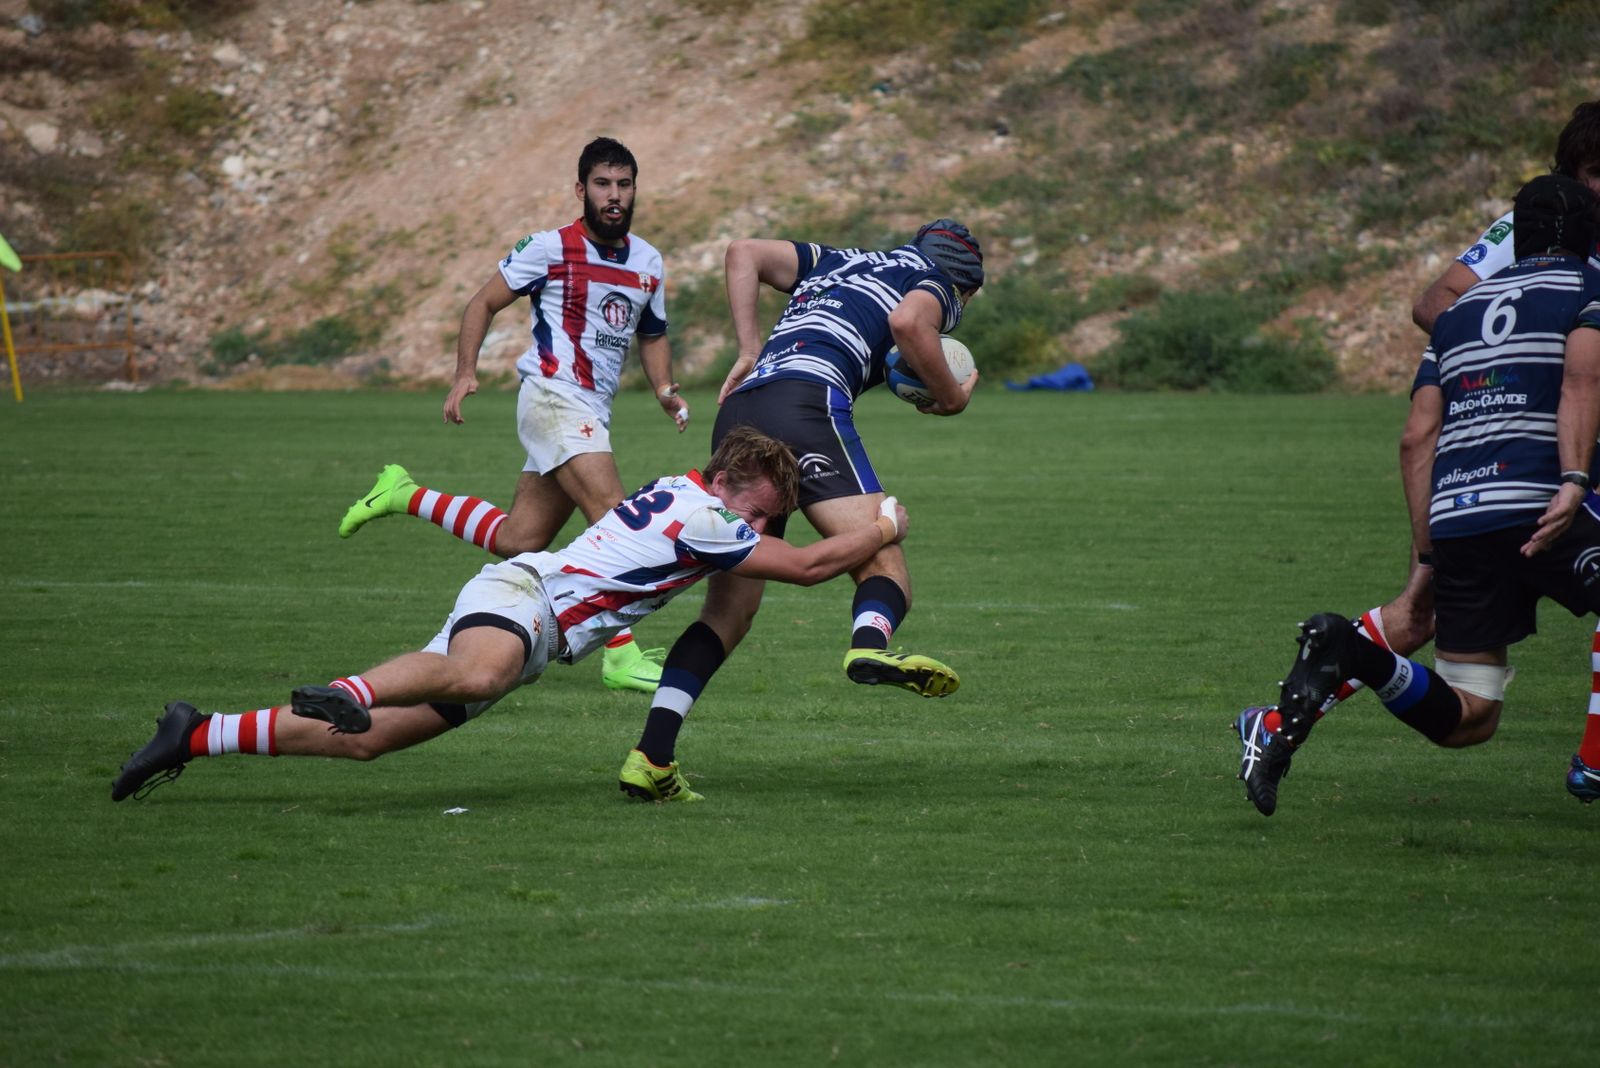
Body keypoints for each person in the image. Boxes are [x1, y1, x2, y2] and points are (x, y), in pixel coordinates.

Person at [110, 428, 911, 804]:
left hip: (531, 624)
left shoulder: (687, 492)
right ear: (732, 484)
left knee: (370, 745)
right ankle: (352, 686)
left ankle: (196, 732)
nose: (764, 529)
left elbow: (776, 562)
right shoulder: (706, 518)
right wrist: (882, 529)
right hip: (525, 602)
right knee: (474, 671)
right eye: (765, 512)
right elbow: (808, 568)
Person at [1234, 100, 1600, 814]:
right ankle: (1593, 762)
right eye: (1595, 173)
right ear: (1569, 177)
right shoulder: (1547, 238)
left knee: (1456, 688)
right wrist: (1523, 363)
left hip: (1462, 486)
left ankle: (1284, 713)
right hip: (1540, 460)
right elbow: (1438, 301)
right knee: (1417, 614)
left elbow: (1416, 434)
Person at [616, 219, 984, 795]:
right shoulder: (938, 281)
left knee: (728, 612)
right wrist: (953, 396)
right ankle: (870, 647)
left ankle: (651, 757)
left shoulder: (842, 260)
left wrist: (748, 348)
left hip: (740, 408)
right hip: (806, 404)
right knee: (883, 551)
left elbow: (743, 252)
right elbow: (909, 323)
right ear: (967, 286)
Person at [337, 136, 690, 695]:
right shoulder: (547, 248)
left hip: (590, 408)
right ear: (581, 190)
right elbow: (482, 302)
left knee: (519, 539)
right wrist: (464, 373)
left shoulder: (648, 260)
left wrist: (665, 388)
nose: (614, 195)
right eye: (602, 184)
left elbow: (653, 333)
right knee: (616, 518)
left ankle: (403, 494)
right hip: (553, 396)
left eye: (624, 184)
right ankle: (620, 656)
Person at [1411, 99, 1600, 334]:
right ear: (1571, 173)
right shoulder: (1536, 225)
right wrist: (1502, 349)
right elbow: (1433, 303)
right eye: (1597, 172)